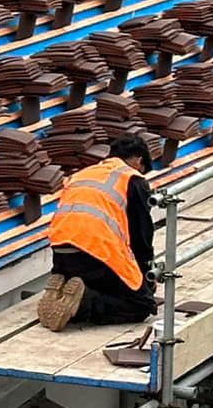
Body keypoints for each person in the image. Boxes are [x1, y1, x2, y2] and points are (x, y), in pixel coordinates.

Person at [33, 132, 159, 331]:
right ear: (139, 161)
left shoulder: (81, 175)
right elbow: (141, 235)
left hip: (62, 256)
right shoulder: (132, 179)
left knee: (103, 285)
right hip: (95, 254)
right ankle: (82, 303)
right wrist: (144, 276)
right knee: (142, 305)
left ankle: (64, 293)